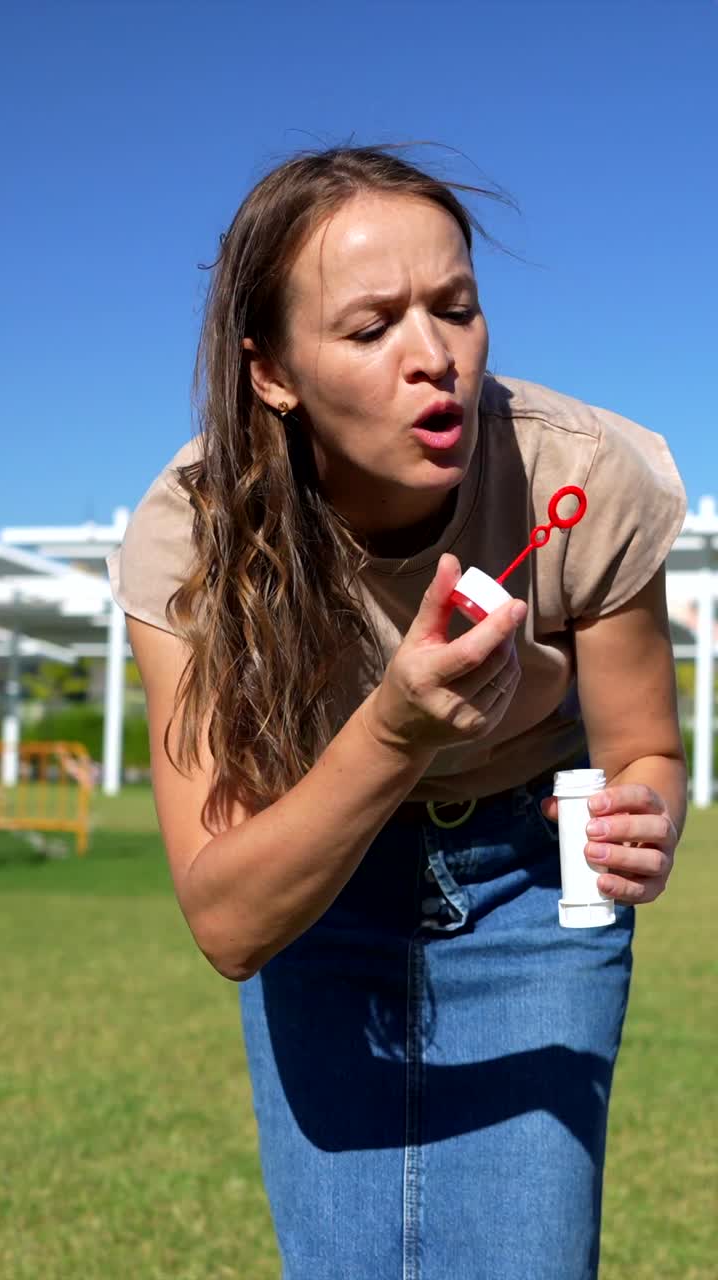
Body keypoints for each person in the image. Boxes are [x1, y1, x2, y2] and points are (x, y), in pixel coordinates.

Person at [107, 145, 687, 1280]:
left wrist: (642, 823)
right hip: (314, 883)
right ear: (270, 371)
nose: (438, 360)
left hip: (530, 881)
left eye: (458, 310)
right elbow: (228, 919)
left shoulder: (585, 474)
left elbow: (647, 750)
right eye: (372, 330)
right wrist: (394, 728)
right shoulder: (192, 537)